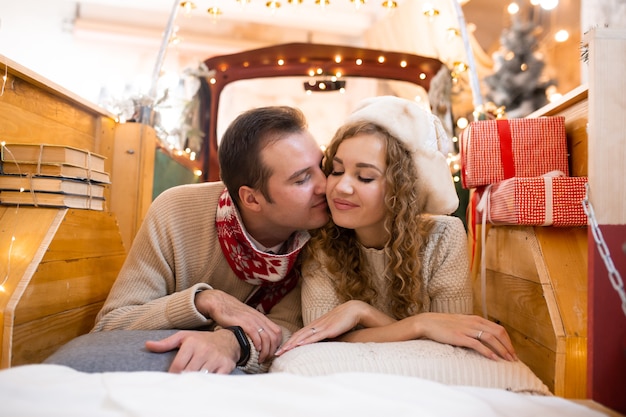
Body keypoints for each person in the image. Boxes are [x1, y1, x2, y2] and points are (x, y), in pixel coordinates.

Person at [44, 106, 328, 374]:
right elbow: (112, 325)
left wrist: (232, 342)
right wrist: (205, 300)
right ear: (251, 198)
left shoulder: (325, 232)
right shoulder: (176, 210)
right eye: (302, 180)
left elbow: (290, 332)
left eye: (322, 166)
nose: (326, 186)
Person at [276, 96, 517, 362]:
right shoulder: (321, 244)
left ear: (402, 189)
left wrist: (363, 314)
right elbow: (321, 341)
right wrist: (423, 325)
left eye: (365, 177)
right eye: (336, 170)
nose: (341, 187)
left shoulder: (444, 237)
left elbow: (452, 345)